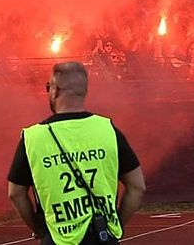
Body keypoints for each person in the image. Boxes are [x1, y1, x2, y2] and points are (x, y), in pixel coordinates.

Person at [8, 62, 146, 244]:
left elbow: (16, 193)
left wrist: (40, 229)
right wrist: (116, 225)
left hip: (58, 238)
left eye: (49, 87)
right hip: (103, 236)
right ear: (84, 91)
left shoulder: (33, 137)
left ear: (55, 90)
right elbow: (137, 187)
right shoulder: (108, 130)